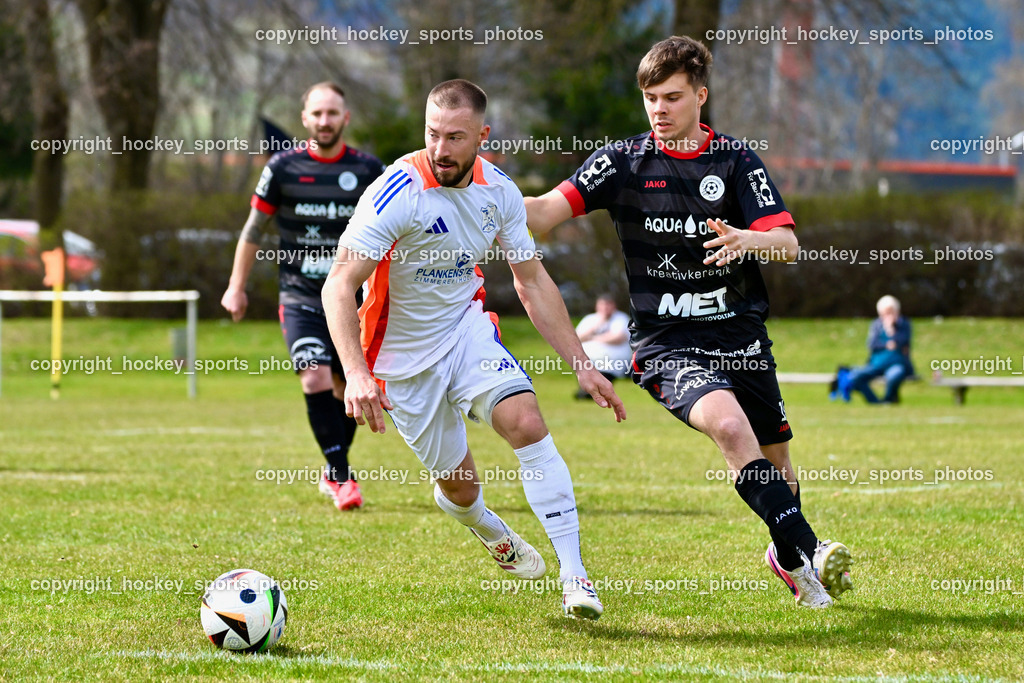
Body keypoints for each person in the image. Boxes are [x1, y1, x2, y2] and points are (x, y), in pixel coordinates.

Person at [524, 36, 853, 608]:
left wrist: (749, 239)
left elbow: (788, 244)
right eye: (650, 97)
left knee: (777, 460)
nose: (659, 109)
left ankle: (786, 555)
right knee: (729, 427)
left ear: (700, 96)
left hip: (740, 335)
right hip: (667, 343)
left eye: (672, 97)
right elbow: (545, 212)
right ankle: (810, 548)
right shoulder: (621, 162)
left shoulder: (735, 161)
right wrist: (480, 190)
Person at [321, 79, 626, 620]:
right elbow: (339, 284)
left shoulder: (500, 192)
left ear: (483, 136)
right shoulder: (397, 191)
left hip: (464, 331)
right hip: (399, 358)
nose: (440, 149)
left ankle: (575, 576)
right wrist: (357, 372)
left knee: (527, 422)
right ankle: (488, 528)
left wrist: (583, 365)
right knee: (461, 490)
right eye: (432, 134)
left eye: (455, 138)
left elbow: (532, 281)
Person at [221, 82, 384, 511]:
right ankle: (343, 477)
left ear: (345, 118)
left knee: (347, 387)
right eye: (317, 113)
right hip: (300, 296)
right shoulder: (282, 167)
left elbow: (396, 231)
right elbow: (253, 229)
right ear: (304, 118)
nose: (324, 121)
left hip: (352, 300)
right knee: (314, 375)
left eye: (332, 113)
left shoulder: (369, 170)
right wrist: (236, 286)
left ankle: (333, 470)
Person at [846, 295, 913, 404]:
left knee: (894, 376)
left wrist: (891, 330)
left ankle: (888, 399)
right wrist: (886, 345)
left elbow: (903, 341)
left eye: (890, 312)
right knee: (855, 377)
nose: (887, 316)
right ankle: (875, 402)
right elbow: (872, 344)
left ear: (897, 311)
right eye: (885, 313)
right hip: (876, 364)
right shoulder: (877, 324)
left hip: (896, 364)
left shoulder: (904, 324)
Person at [573, 294, 631, 398]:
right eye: (602, 305)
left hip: (612, 364)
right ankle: (586, 392)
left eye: (608, 305)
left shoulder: (621, 318)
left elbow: (618, 337)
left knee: (600, 382)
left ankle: (589, 394)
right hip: (588, 363)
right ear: (597, 306)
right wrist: (596, 325)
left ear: (614, 306)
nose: (605, 308)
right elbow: (577, 338)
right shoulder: (590, 319)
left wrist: (593, 338)